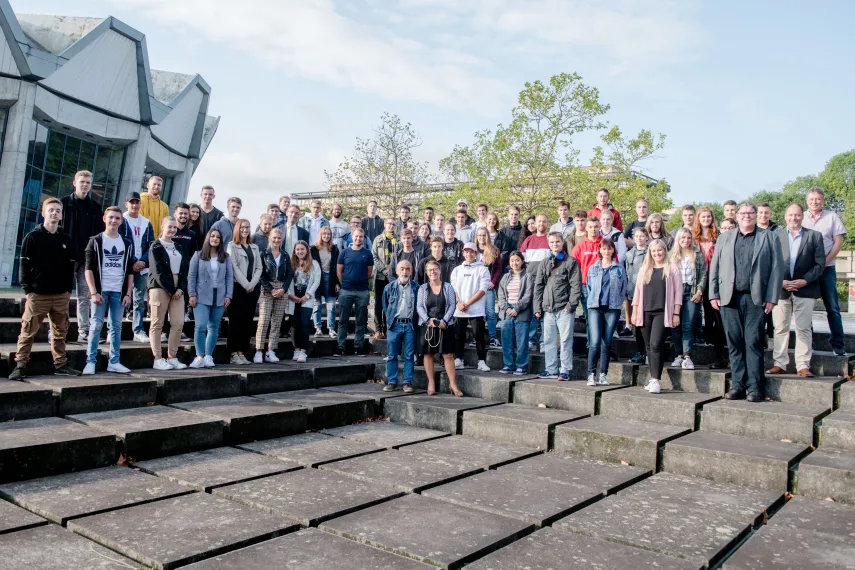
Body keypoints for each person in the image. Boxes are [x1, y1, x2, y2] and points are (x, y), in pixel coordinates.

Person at [710, 202, 782, 402]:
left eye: (751, 213)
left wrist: (772, 297)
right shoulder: (725, 238)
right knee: (734, 343)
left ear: (756, 215)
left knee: (753, 342)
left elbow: (777, 269)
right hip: (729, 298)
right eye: (743, 213)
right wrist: (713, 294)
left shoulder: (769, 237)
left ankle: (755, 388)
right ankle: (737, 386)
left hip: (755, 299)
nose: (747, 216)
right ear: (737, 216)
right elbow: (715, 267)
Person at [9, 198, 79, 380]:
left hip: (60, 295)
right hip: (38, 295)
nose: (54, 213)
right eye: (51, 210)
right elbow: (24, 266)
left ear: (61, 215)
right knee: (27, 332)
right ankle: (20, 365)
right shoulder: (32, 237)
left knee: (60, 332)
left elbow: (70, 266)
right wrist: (28, 289)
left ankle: (60, 365)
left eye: (58, 211)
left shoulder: (66, 239)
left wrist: (68, 289)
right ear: (43, 213)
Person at [767, 204, 825, 377]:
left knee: (804, 328)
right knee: (780, 328)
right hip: (781, 289)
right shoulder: (775, 236)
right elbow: (768, 263)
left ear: (802, 216)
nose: (794, 218)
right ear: (785, 216)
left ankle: (803, 365)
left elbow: (819, 264)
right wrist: (780, 282)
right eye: (791, 215)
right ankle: (779, 363)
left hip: (805, 289)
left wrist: (804, 281)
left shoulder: (814, 236)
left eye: (797, 215)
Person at [82, 207, 134, 375]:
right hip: (101, 291)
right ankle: (90, 361)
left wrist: (128, 293)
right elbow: (88, 269)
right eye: (111, 217)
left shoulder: (127, 243)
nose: (114, 221)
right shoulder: (95, 241)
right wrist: (93, 292)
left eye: (117, 218)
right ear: (104, 218)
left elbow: (130, 271)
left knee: (116, 327)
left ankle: (114, 361)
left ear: (121, 221)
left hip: (118, 291)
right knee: (96, 325)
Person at [631, 239, 683, 394]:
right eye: (653, 251)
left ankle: (655, 380)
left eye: (659, 250)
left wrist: (676, 313)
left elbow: (678, 293)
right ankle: (654, 379)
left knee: (655, 344)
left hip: (662, 312)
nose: (657, 253)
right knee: (649, 347)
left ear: (664, 251)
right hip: (645, 311)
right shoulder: (645, 268)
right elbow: (637, 292)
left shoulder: (672, 268)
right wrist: (634, 311)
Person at [60, 170, 104, 343]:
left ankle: (84, 332)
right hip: (65, 258)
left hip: (86, 259)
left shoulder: (95, 207)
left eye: (88, 182)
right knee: (61, 297)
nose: (85, 185)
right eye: (82, 182)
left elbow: (99, 235)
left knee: (84, 297)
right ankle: (56, 333)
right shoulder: (63, 204)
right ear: (74, 183)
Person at [802, 187, 847, 356]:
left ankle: (838, 344)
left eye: (818, 199)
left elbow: (838, 242)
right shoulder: (801, 217)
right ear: (807, 200)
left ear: (823, 200)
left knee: (832, 307)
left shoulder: (832, 217)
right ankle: (808, 343)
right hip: (807, 269)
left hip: (827, 268)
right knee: (806, 307)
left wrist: (824, 261)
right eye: (812, 199)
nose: (815, 202)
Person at [534, 232, 582, 381]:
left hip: (564, 308)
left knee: (566, 340)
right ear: (549, 244)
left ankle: (565, 370)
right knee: (548, 340)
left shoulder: (571, 262)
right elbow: (539, 286)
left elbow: (576, 286)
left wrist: (571, 305)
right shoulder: (544, 262)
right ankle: (551, 369)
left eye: (557, 242)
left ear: (562, 243)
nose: (555, 244)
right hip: (548, 309)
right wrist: (537, 307)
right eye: (552, 242)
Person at [148, 217, 189, 371]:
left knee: (178, 323)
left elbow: (185, 269)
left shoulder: (179, 246)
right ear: (162, 227)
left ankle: (172, 357)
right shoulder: (155, 246)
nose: (172, 230)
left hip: (178, 288)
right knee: (157, 323)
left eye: (174, 227)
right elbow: (157, 270)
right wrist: (171, 289)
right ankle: (158, 358)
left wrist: (180, 289)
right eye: (169, 227)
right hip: (160, 287)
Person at [188, 229, 233, 368]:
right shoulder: (198, 255)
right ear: (208, 238)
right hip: (201, 295)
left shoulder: (225, 257)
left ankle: (208, 356)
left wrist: (228, 295)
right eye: (212, 236)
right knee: (200, 326)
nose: (215, 239)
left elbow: (229, 277)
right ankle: (199, 356)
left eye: (218, 237)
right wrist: (192, 294)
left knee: (214, 327)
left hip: (219, 296)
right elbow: (192, 276)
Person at [585, 239, 627, 386]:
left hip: (612, 308)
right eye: (604, 249)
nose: (607, 251)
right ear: (600, 250)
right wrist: (592, 301)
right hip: (595, 307)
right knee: (595, 341)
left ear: (613, 250)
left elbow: (623, 288)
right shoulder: (593, 268)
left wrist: (618, 303)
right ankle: (591, 374)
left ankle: (603, 374)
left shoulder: (619, 269)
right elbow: (589, 287)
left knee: (607, 342)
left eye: (609, 249)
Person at [417, 260, 462, 396]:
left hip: (444, 324)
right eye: (430, 270)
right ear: (427, 272)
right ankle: (431, 382)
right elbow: (419, 306)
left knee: (448, 355)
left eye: (435, 269)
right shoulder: (423, 288)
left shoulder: (448, 287)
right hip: (427, 325)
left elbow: (452, 305)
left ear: (440, 270)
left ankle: (453, 384)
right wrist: (427, 320)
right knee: (428, 354)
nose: (433, 272)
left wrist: (444, 321)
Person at [694, 207, 727, 368]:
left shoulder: (719, 236)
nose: (706, 219)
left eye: (708, 216)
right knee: (706, 316)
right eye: (703, 217)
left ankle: (720, 354)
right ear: (698, 219)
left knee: (717, 316)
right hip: (700, 279)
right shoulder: (694, 237)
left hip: (716, 280)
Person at [669, 228, 706, 370]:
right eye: (683, 238)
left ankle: (687, 356)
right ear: (678, 239)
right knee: (675, 325)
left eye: (688, 238)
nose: (686, 240)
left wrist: (699, 291)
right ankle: (678, 354)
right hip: (675, 293)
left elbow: (703, 274)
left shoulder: (697, 254)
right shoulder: (671, 255)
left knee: (688, 325)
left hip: (691, 292)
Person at [255, 228, 294, 363]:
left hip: (282, 288)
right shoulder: (263, 253)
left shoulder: (285, 255)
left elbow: (290, 274)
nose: (277, 240)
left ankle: (271, 350)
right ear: (270, 238)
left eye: (279, 238)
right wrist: (270, 289)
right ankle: (259, 351)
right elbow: (260, 274)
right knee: (264, 320)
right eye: (274, 237)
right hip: (267, 289)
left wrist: (284, 289)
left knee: (277, 322)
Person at [226, 219, 262, 365]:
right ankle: (233, 353)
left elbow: (259, 267)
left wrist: (252, 284)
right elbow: (233, 267)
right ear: (237, 229)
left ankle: (242, 352)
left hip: (252, 289)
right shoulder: (232, 246)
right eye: (242, 227)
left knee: (247, 322)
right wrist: (246, 285)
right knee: (236, 321)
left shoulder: (254, 247)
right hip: (238, 288)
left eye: (247, 227)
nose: (245, 230)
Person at [451, 243, 491, 372]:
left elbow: (482, 290)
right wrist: (459, 303)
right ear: (463, 253)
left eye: (471, 252)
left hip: (476, 309)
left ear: (476, 253)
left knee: (479, 336)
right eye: (466, 252)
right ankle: (459, 359)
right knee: (458, 335)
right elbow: (454, 288)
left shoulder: (483, 269)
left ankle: (481, 361)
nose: (468, 254)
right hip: (459, 309)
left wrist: (468, 303)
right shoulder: (457, 270)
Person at [119, 192, 154, 343]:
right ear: (126, 204)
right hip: (125, 265)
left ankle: (138, 330)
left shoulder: (146, 222)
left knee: (139, 299)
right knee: (120, 298)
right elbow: (120, 241)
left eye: (137, 202)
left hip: (142, 267)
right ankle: (113, 329)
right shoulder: (121, 219)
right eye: (131, 202)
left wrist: (143, 262)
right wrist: (133, 261)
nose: (134, 205)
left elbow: (151, 244)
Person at [381, 260, 418, 392]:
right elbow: (385, 306)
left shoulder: (416, 288)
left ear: (411, 271)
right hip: (394, 325)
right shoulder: (389, 287)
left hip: (410, 325)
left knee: (409, 355)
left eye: (407, 269)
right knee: (392, 355)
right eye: (402, 269)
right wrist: (390, 321)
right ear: (396, 271)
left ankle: (407, 382)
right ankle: (392, 381)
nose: (404, 271)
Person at [336, 228, 374, 356]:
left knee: (361, 321)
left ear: (364, 238)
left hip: (362, 291)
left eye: (361, 236)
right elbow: (339, 271)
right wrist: (344, 284)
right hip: (346, 290)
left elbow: (369, 272)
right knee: (343, 320)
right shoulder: (344, 252)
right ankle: (341, 346)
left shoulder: (367, 253)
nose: (358, 238)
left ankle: (358, 346)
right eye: (356, 236)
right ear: (352, 237)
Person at [498, 251, 534, 375]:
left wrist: (517, 308)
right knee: (506, 340)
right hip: (507, 311)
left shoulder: (528, 276)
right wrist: (507, 308)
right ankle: (508, 365)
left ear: (522, 261)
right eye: (512, 260)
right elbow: (501, 295)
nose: (515, 263)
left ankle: (521, 366)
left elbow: (528, 295)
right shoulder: (505, 277)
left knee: (522, 341)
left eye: (517, 260)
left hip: (522, 311)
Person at [285, 241, 321, 363]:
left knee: (304, 324)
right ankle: (296, 349)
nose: (300, 251)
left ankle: (303, 351)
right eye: (298, 249)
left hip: (307, 299)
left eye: (302, 249)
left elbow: (316, 281)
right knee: (295, 325)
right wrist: (291, 295)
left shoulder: (314, 264)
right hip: (293, 298)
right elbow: (287, 280)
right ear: (294, 251)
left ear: (307, 250)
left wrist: (307, 295)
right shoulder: (291, 264)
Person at [520, 214, 551, 350]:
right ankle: (531, 340)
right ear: (535, 223)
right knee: (532, 310)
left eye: (544, 221)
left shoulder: (551, 239)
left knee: (545, 310)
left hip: (547, 280)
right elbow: (521, 261)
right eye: (539, 221)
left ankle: (544, 342)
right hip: (531, 279)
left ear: (547, 223)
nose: (541, 224)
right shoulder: (528, 240)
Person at [474, 227, 502, 347]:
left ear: (487, 236)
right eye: (479, 235)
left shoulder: (494, 250)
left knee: (490, 313)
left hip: (488, 287)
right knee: (477, 313)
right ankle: (476, 338)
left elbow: (499, 268)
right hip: (475, 288)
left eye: (484, 235)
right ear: (476, 237)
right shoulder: (473, 250)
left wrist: (493, 282)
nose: (481, 237)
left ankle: (493, 338)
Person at [624, 227, 649, 363]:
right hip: (633, 293)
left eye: (642, 236)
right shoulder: (629, 254)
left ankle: (648, 352)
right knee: (637, 325)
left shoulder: (651, 252)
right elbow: (628, 273)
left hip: (648, 292)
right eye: (637, 236)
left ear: (646, 238)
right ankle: (640, 351)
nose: (639, 238)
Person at [310, 227, 340, 338]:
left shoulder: (334, 249)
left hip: (330, 278)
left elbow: (337, 266)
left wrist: (337, 282)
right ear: (320, 235)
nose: (326, 236)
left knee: (331, 306)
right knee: (316, 306)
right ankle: (318, 329)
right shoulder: (313, 249)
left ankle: (331, 329)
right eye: (324, 234)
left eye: (328, 234)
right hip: (317, 279)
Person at [371, 218, 398, 339]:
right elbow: (374, 256)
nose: (391, 226)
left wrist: (392, 271)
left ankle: (387, 328)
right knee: (378, 303)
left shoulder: (398, 240)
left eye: (393, 224)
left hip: (393, 276)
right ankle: (378, 329)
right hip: (380, 276)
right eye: (389, 224)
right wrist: (383, 269)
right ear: (385, 225)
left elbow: (399, 257)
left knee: (390, 303)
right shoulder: (378, 239)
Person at [571, 216, 604, 314]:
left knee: (602, 315)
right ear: (586, 228)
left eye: (596, 226)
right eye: (590, 227)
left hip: (603, 284)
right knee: (589, 315)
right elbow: (573, 268)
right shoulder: (579, 247)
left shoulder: (606, 245)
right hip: (585, 285)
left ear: (600, 227)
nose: (593, 229)